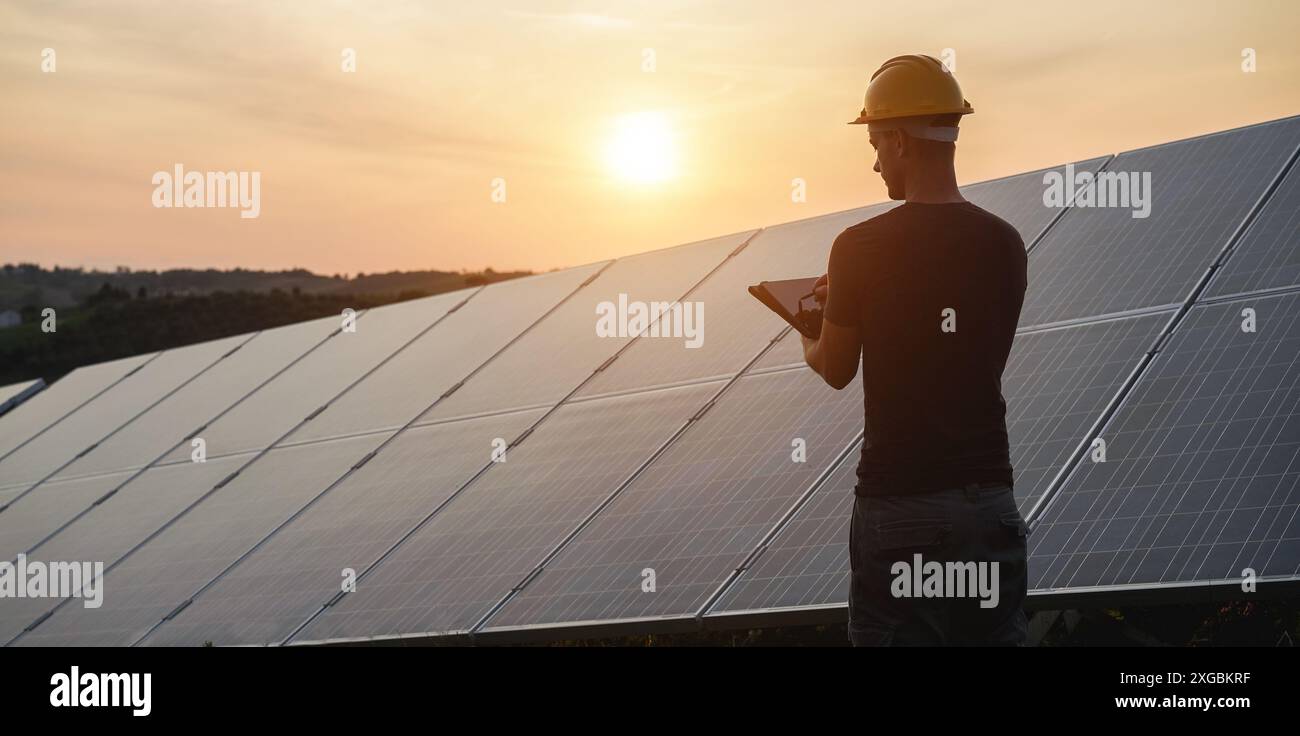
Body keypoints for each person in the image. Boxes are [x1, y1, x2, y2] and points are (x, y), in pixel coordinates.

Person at [801, 54, 1029, 645]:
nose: (875, 162)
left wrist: (811, 327)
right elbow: (971, 361)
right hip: (991, 508)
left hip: (903, 508)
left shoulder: (858, 248)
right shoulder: (1005, 244)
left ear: (900, 141)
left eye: (876, 143)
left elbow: (834, 369)